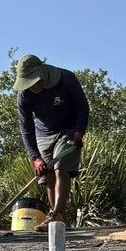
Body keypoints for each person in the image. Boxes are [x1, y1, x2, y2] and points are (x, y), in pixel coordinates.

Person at [14, 55, 91, 224]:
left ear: (41, 74)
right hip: (44, 132)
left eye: (33, 82)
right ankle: (57, 219)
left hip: (69, 128)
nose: (32, 87)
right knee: (47, 175)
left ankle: (57, 212)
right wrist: (35, 157)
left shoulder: (66, 79)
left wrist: (79, 131)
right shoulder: (24, 96)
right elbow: (26, 127)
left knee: (61, 167)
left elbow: (82, 107)